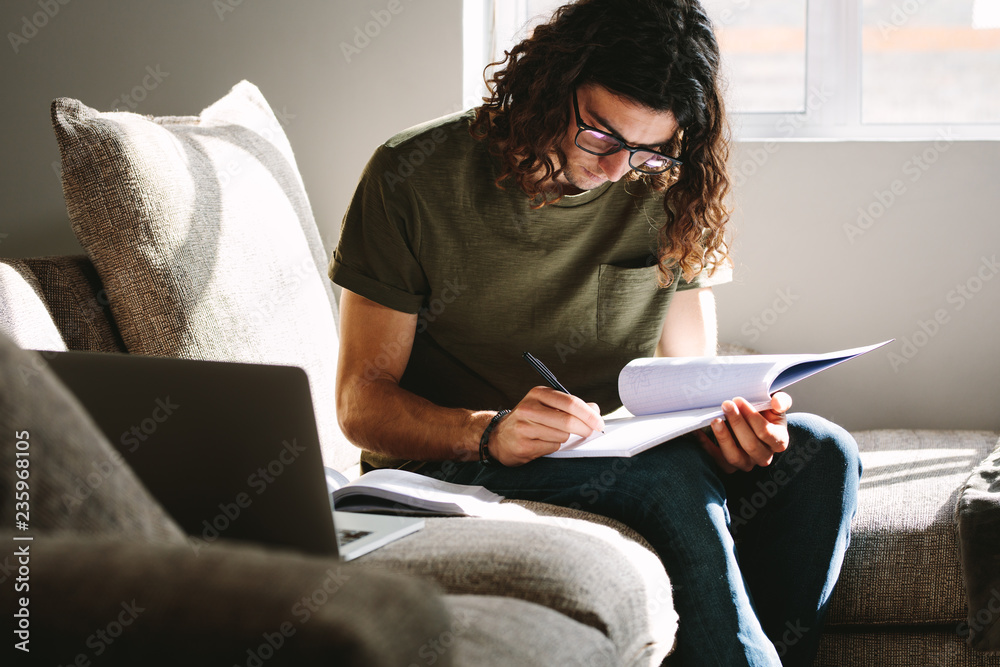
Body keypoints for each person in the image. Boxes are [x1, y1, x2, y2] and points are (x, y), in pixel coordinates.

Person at [329, 0, 861, 664]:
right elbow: (360, 402)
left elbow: (691, 375)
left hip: (607, 445)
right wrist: (487, 429)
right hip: (451, 465)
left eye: (648, 150)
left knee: (823, 452)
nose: (618, 170)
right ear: (552, 84)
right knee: (664, 478)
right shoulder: (411, 176)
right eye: (602, 137)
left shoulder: (665, 183)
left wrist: (727, 431)